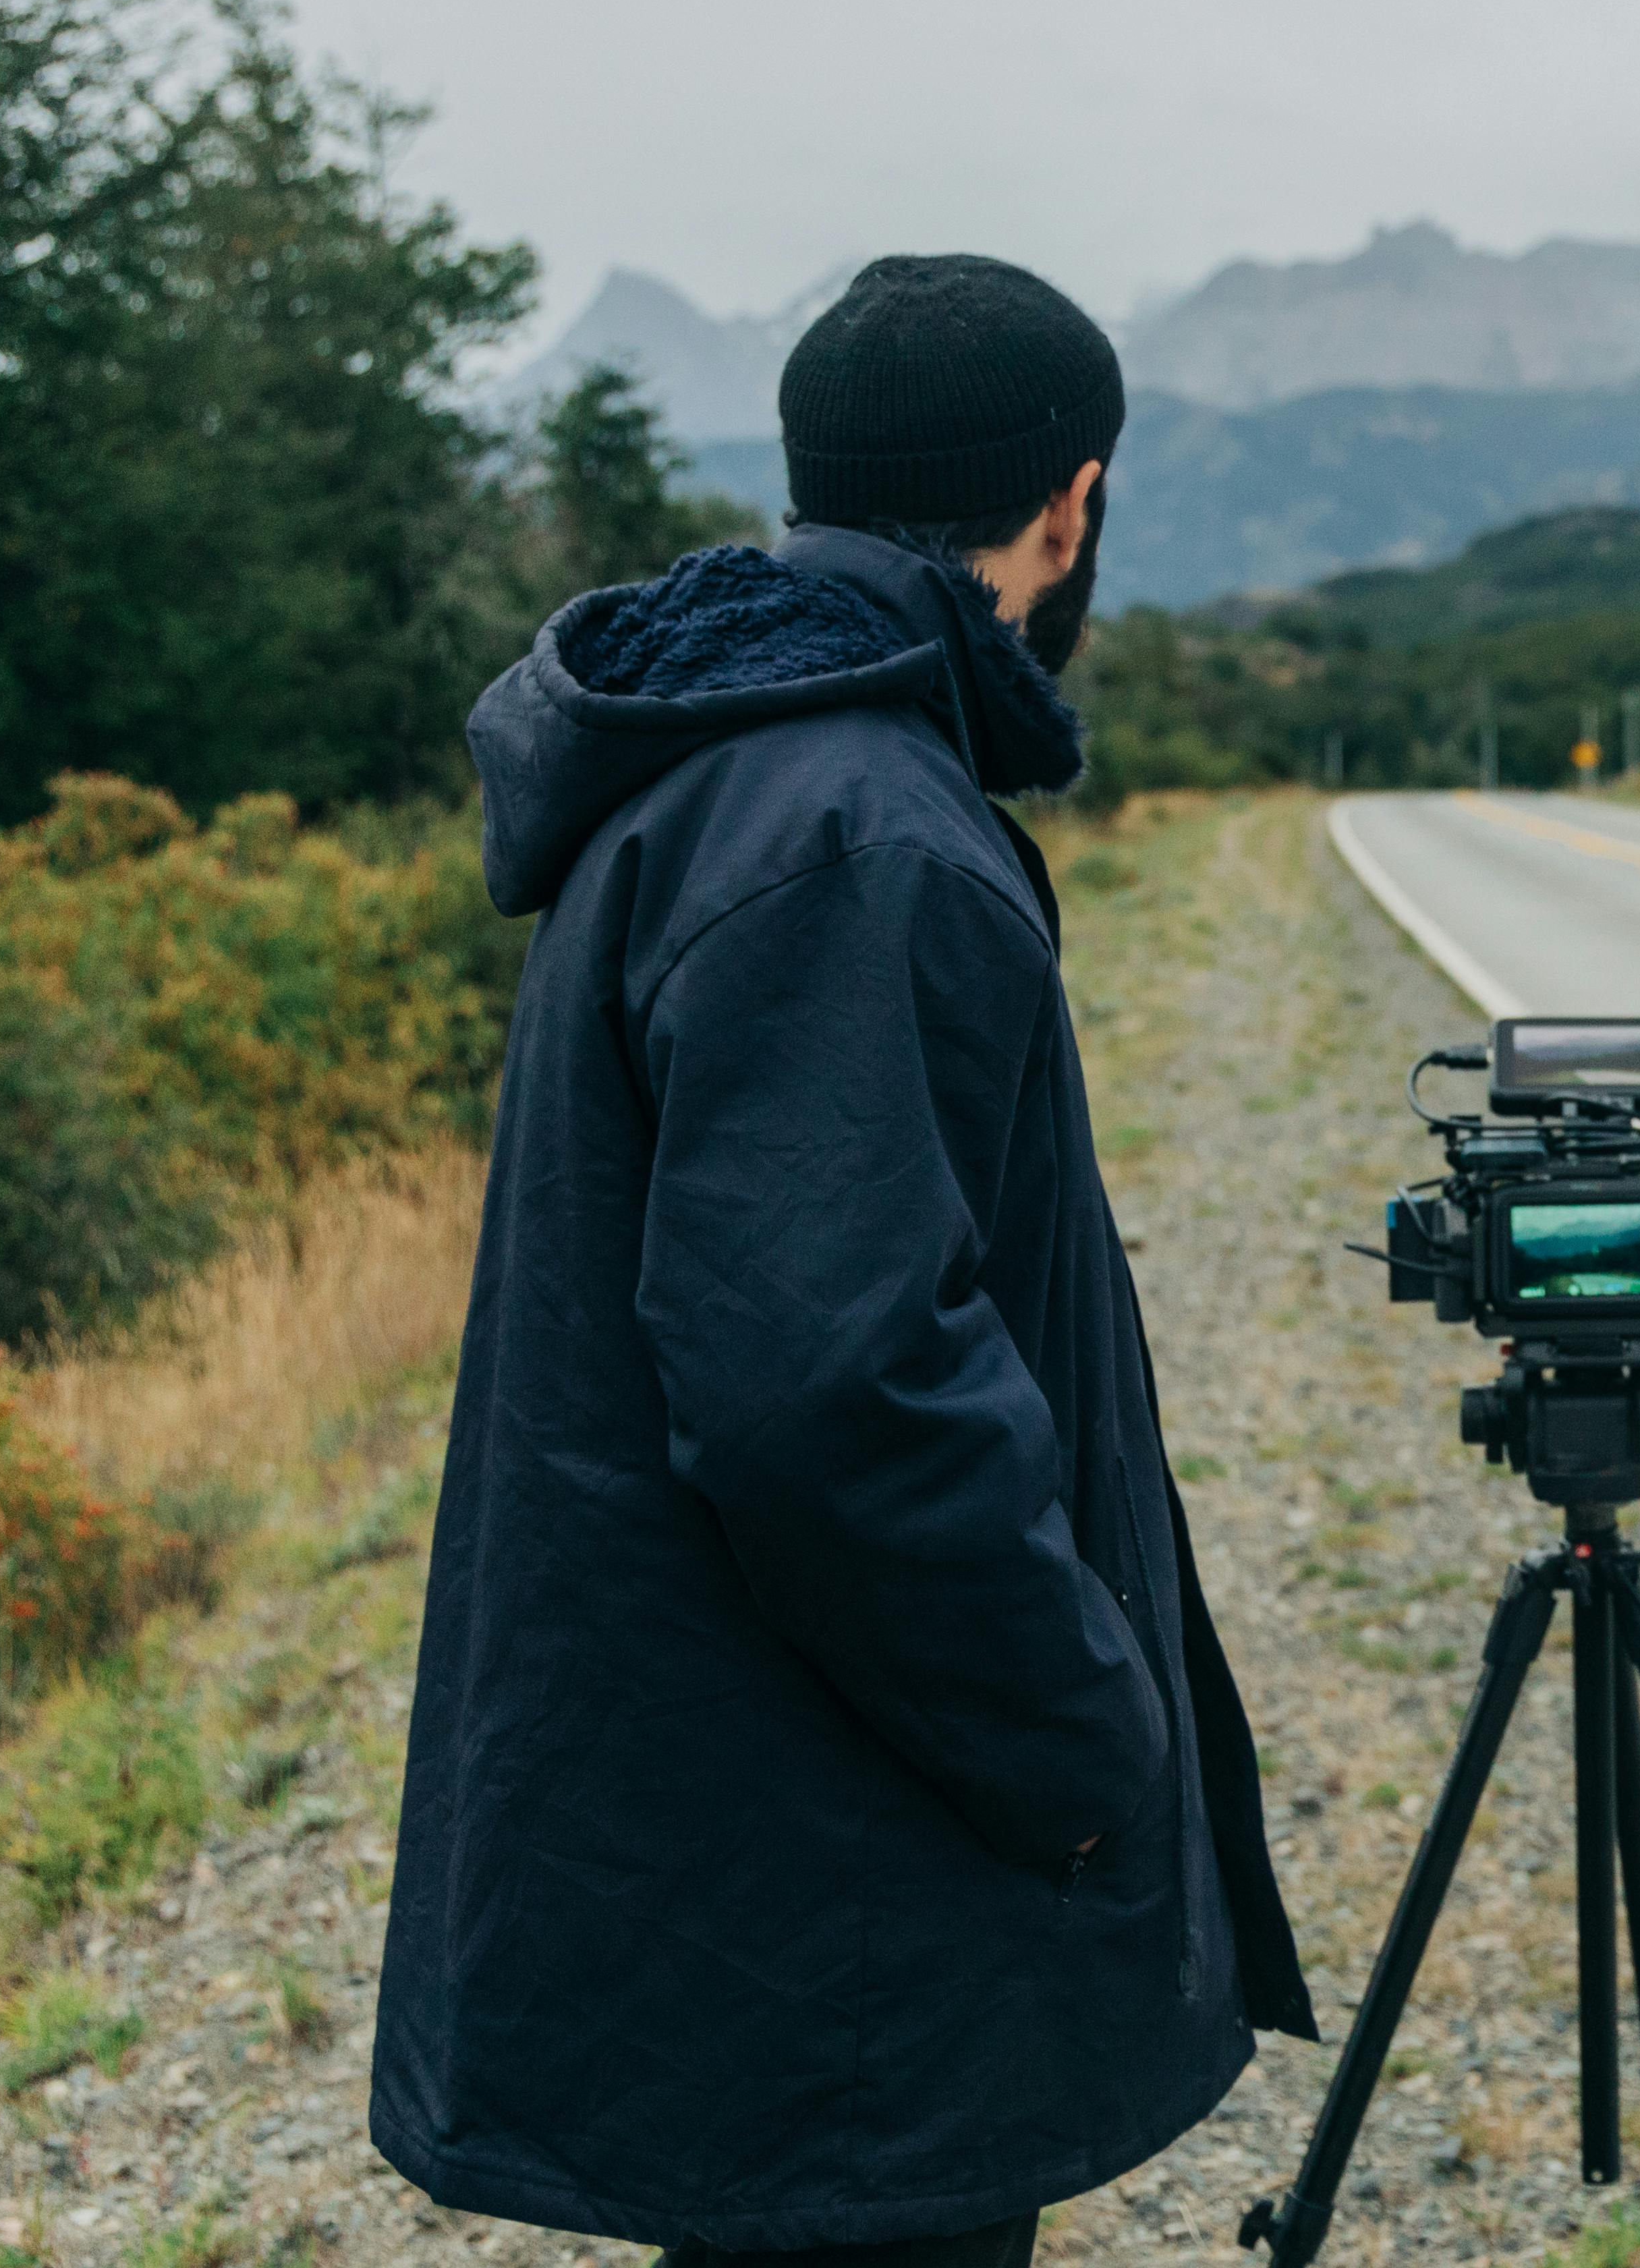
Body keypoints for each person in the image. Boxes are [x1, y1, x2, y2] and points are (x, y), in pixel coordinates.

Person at [375, 254, 1307, 2268]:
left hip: (761, 1836)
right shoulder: (857, 824)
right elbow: (830, 1386)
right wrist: (1082, 1737)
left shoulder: (737, 761)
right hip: (843, 1880)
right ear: (1071, 506)